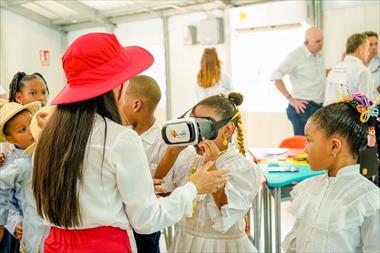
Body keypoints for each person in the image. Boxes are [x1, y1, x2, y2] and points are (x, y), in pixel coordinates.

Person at [31, 32, 228, 253]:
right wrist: (195, 186)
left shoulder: (48, 136)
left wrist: (139, 187)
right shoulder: (120, 138)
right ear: (117, 86)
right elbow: (147, 220)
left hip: (53, 245)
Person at [159, 93, 260, 253]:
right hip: (185, 242)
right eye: (193, 125)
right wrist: (170, 154)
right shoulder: (187, 157)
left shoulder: (241, 167)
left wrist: (210, 163)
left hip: (221, 246)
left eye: (204, 127)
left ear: (227, 130)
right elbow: (159, 191)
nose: (198, 135)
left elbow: (226, 212)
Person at [282, 93, 380, 252]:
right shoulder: (308, 189)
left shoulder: (368, 200)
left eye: (309, 140)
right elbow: (296, 243)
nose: (305, 149)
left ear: (334, 146)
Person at [120, 75, 167, 253]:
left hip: (146, 223)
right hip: (122, 220)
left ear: (136, 104)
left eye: (122, 99)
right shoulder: (120, 134)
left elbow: (162, 184)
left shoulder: (163, 140)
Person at [0, 101, 51, 253]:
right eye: (22, 130)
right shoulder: (14, 165)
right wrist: (12, 222)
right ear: (10, 139)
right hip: (33, 236)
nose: (30, 131)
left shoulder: (48, 152)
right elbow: (4, 197)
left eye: (31, 123)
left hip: (55, 234)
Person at [270, 27, 326, 136]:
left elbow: (320, 76)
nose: (321, 44)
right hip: (303, 108)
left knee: (316, 145)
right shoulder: (295, 56)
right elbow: (276, 77)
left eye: (322, 40)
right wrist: (291, 99)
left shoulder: (318, 55)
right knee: (303, 147)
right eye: (317, 41)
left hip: (318, 108)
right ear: (306, 42)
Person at [324, 33, 374, 105]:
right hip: (350, 115)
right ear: (361, 50)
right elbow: (366, 105)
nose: (368, 53)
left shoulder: (334, 69)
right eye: (367, 49)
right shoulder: (362, 71)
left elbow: (326, 101)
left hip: (329, 115)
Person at [364, 31, 380, 98]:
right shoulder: (358, 64)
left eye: (376, 44)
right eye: (371, 44)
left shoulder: (378, 62)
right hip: (360, 105)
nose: (374, 47)